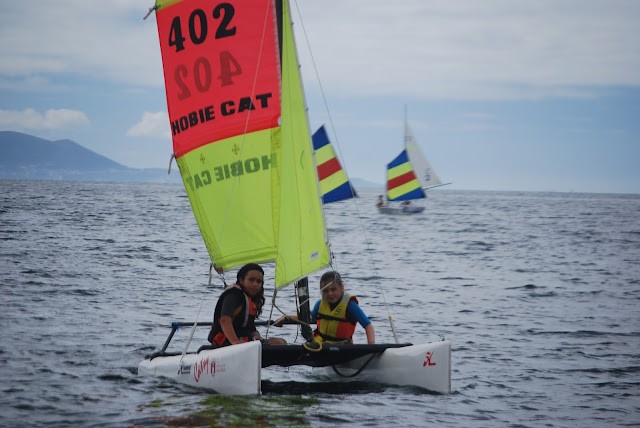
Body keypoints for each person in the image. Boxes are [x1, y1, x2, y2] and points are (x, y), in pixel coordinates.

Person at [275, 271, 375, 344]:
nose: (330, 294)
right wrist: (287, 318)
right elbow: (308, 318)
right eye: (325, 291)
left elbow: (368, 325)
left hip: (343, 348)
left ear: (341, 288)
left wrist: (371, 346)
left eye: (333, 289)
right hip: (320, 346)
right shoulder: (320, 304)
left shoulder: (350, 305)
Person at [208, 263, 286, 347]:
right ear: (241, 280)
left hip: (245, 342)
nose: (255, 284)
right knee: (278, 343)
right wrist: (235, 342)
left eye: (259, 281)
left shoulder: (249, 301)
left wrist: (259, 337)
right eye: (251, 280)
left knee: (280, 342)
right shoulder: (233, 295)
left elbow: (250, 328)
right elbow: (224, 320)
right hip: (226, 343)